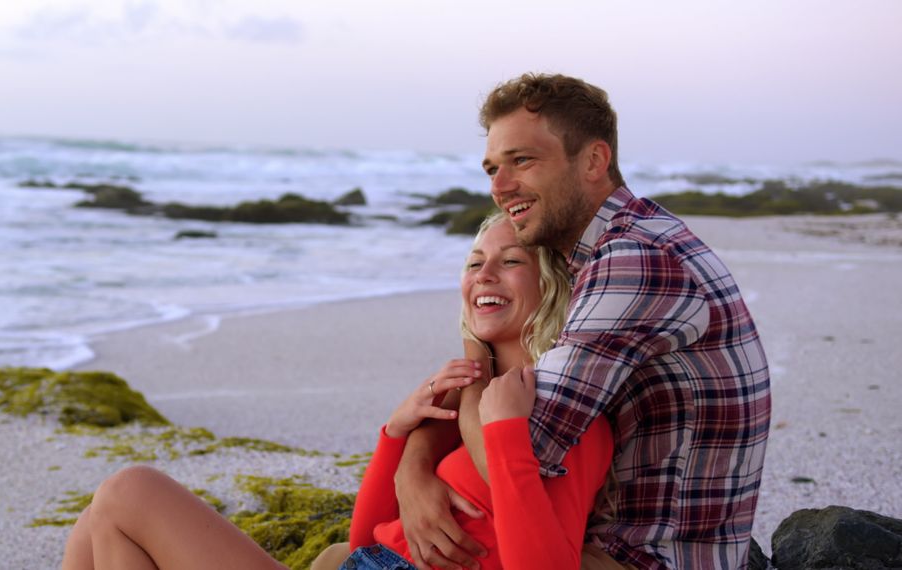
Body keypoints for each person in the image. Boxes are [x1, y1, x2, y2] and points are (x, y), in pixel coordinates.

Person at [60, 213, 615, 570]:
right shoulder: (460, 396)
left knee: (128, 492)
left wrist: (506, 435)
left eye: (510, 261)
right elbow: (363, 542)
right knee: (96, 525)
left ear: (552, 284)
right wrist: (397, 437)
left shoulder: (564, 412)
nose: (484, 274)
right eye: (474, 263)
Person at [392, 73, 772, 570]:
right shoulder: (614, 249)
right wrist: (413, 464)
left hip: (643, 559)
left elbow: (518, 454)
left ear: (594, 160)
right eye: (492, 169)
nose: (500, 188)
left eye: (522, 160)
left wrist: (473, 367)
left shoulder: (635, 261)